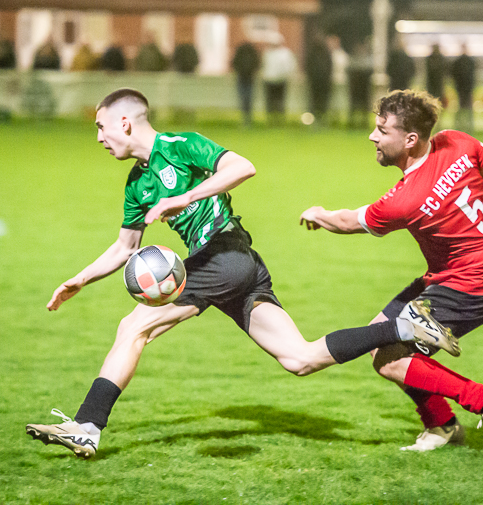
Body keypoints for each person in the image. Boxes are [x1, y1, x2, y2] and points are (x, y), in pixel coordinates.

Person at [25, 88, 449, 458]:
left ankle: (87, 426)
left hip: (223, 253)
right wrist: (80, 279)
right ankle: (403, 328)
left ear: (124, 122)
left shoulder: (180, 145)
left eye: (101, 127)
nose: (99, 138)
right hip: (235, 265)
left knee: (134, 326)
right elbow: (125, 247)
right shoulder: (138, 183)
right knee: (299, 358)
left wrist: (185, 197)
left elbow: (242, 167)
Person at [300, 90, 483, 455]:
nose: (372, 136)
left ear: (410, 139)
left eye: (382, 130)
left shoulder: (406, 199)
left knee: (388, 359)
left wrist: (318, 213)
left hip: (472, 288)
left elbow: (347, 222)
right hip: (465, 274)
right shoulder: (457, 142)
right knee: (380, 337)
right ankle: (442, 426)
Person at [261, 34, 297, 126]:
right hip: (269, 80)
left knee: (280, 101)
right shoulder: (267, 53)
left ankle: (280, 120)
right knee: (270, 101)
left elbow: (290, 66)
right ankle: (271, 119)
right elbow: (264, 66)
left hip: (281, 80)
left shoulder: (285, 53)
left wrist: (286, 75)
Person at [304, 32, 333, 125]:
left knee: (319, 100)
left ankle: (320, 118)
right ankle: (317, 118)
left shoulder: (319, 53)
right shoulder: (323, 53)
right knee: (317, 101)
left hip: (320, 81)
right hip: (318, 81)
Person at [231, 41, 260, 127]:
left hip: (242, 78)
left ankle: (245, 119)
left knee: (243, 99)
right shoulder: (253, 53)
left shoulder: (240, 53)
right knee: (248, 99)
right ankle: (247, 119)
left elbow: (234, 63)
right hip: (249, 78)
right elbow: (257, 64)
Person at [451, 44, 476, 133]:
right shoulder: (466, 61)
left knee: (467, 107)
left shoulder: (468, 61)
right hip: (461, 87)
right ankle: (460, 124)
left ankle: (467, 125)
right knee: (461, 107)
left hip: (466, 87)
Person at [425, 44, 447, 110]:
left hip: (438, 83)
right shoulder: (430, 58)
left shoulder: (441, 58)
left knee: (438, 98)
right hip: (432, 83)